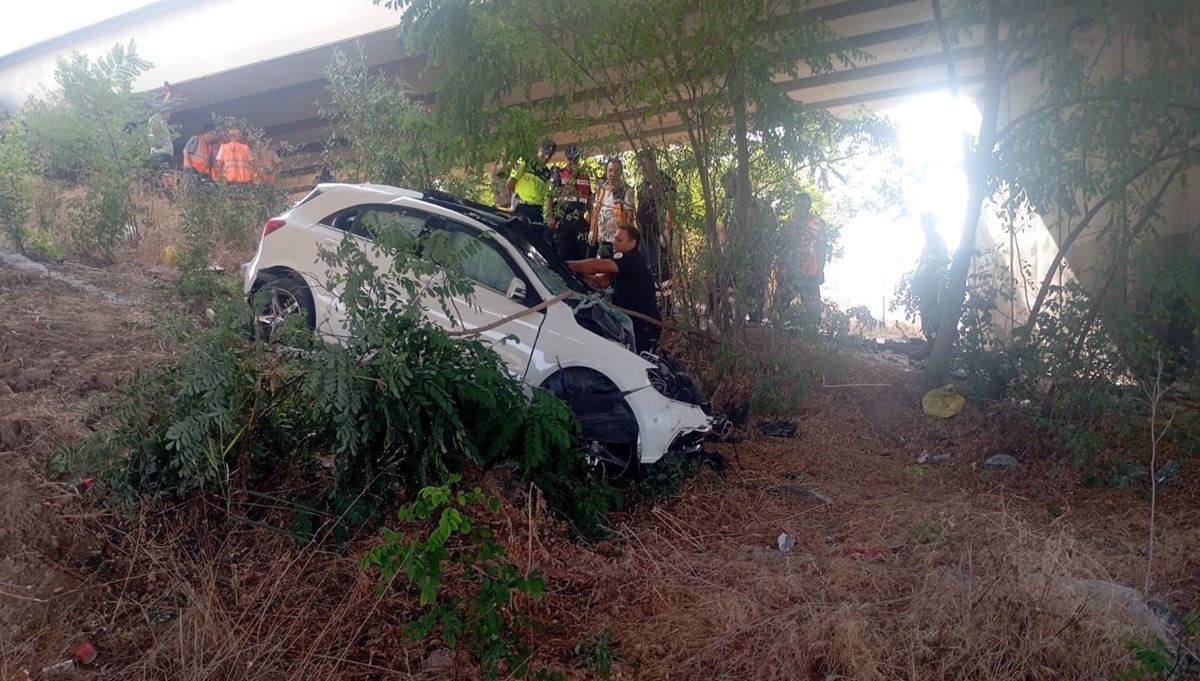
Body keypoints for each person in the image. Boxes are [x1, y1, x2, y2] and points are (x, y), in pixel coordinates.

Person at [568, 224, 661, 353]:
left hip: (643, 326)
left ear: (632, 243)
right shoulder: (624, 264)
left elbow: (597, 266)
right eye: (614, 238)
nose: (613, 242)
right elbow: (600, 282)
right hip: (634, 324)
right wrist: (573, 275)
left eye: (619, 240)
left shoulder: (630, 258)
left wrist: (568, 265)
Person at [776, 191, 827, 326]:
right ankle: (782, 329)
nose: (800, 207)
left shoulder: (818, 224)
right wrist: (779, 268)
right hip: (789, 270)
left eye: (803, 204)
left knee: (812, 306)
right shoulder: (788, 224)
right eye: (797, 204)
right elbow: (782, 247)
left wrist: (821, 270)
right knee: (781, 303)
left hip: (810, 271)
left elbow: (822, 248)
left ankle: (812, 333)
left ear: (809, 205)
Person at [635, 148, 677, 287]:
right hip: (644, 235)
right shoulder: (642, 186)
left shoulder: (665, 181)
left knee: (661, 267)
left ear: (653, 162)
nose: (642, 168)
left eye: (644, 164)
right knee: (647, 267)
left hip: (657, 232)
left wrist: (666, 229)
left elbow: (671, 206)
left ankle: (666, 301)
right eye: (640, 165)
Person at [547, 143, 592, 261]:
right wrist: (550, 217)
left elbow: (589, 199)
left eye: (575, 158)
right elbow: (550, 198)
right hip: (564, 219)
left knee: (582, 254)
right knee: (564, 255)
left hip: (580, 220)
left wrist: (592, 216)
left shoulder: (585, 176)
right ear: (566, 158)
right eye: (570, 158)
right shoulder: (558, 175)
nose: (573, 161)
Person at [912, 212, 949, 344]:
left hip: (932, 286)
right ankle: (930, 347)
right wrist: (916, 278)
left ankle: (932, 347)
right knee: (925, 314)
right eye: (922, 224)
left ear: (932, 224)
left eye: (925, 224)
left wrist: (922, 278)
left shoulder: (937, 242)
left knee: (931, 317)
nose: (923, 227)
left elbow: (936, 264)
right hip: (925, 286)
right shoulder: (929, 242)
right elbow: (923, 265)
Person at [588, 158, 633, 259]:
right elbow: (595, 211)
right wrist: (591, 230)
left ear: (620, 173)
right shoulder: (601, 188)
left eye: (616, 171)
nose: (613, 174)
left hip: (616, 240)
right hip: (600, 238)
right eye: (610, 170)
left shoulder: (626, 190)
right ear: (606, 171)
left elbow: (630, 216)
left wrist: (626, 238)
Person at [507, 139, 556, 223]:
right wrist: (513, 201)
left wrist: (549, 216)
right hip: (522, 206)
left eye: (550, 155)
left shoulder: (547, 173)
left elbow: (548, 197)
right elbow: (511, 183)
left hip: (537, 210)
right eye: (546, 153)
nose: (547, 157)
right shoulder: (525, 162)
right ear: (540, 150)